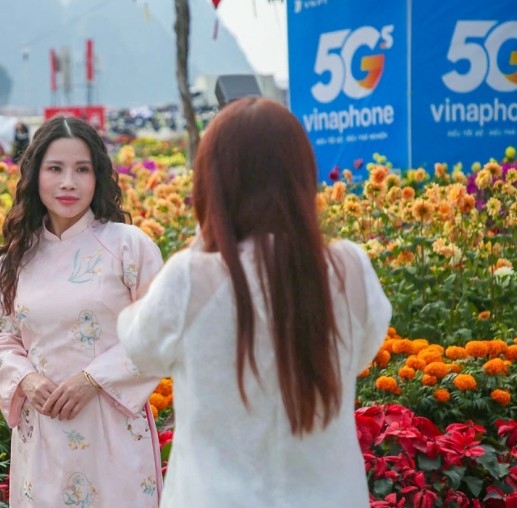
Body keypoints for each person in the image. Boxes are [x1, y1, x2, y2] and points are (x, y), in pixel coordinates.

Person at [117, 97, 392, 508]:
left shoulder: (192, 277)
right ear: (302, 177)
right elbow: (362, 352)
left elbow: (139, 347)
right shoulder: (348, 268)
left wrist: (204, 237)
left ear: (211, 183)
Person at [0, 115, 164, 507]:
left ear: (98, 176)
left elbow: (160, 329)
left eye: (82, 169)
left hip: (111, 426)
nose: (69, 182)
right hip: (43, 426)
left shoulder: (128, 247)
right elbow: (1, 336)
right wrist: (26, 380)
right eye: (55, 169)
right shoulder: (17, 256)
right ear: (35, 176)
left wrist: (92, 379)